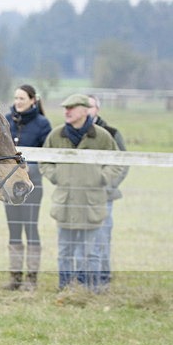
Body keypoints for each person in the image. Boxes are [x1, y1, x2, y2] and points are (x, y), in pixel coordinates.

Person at [39, 94, 125, 292]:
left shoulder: (102, 136)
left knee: (91, 251)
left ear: (85, 110)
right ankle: (66, 289)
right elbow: (44, 161)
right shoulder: (56, 135)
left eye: (72, 107)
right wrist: (56, 176)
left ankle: (91, 290)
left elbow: (117, 162)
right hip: (65, 202)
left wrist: (102, 178)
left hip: (92, 203)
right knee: (65, 251)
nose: (66, 111)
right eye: (65, 108)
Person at [2, 84, 52, 291]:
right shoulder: (6, 120)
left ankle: (31, 278)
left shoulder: (42, 124)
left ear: (33, 100)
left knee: (30, 228)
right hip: (10, 186)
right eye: (16, 98)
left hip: (33, 185)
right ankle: (15, 277)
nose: (18, 102)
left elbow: (47, 155)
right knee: (13, 229)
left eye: (22, 98)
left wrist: (31, 169)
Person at [87, 94, 128, 290]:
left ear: (97, 109)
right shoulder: (74, 132)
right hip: (82, 196)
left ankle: (103, 279)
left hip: (104, 195)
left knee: (102, 238)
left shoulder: (111, 132)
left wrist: (108, 186)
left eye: (91, 106)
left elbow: (122, 163)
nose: (87, 110)